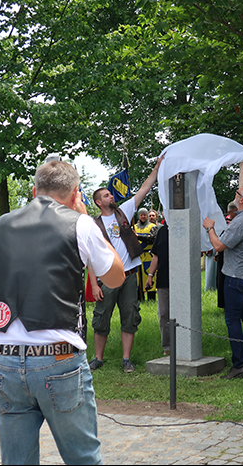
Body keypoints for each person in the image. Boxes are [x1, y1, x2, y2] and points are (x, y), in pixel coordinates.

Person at [0, 160, 124, 465]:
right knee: (83, 458)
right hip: (57, 355)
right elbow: (115, 277)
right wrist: (89, 221)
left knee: (16, 461)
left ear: (34, 191)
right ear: (76, 194)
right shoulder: (79, 223)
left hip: (2, 355)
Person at [89, 155, 163, 373]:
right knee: (101, 318)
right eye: (106, 195)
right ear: (98, 202)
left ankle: (126, 359)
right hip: (107, 278)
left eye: (110, 193)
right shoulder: (93, 225)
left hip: (130, 274)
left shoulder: (125, 211)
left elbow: (144, 189)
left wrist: (157, 168)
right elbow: (90, 258)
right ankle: (98, 358)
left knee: (130, 316)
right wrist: (94, 285)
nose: (110, 195)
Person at [203, 160, 243, 380]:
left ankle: (239, 365)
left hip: (235, 278)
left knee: (233, 320)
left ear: (242, 200)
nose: (236, 193)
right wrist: (242, 166)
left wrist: (209, 228)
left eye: (238, 193)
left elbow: (219, 247)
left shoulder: (240, 222)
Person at [145, 223, 170, 355]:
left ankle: (184, 345)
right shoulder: (162, 231)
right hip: (163, 279)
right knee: (164, 313)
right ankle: (167, 347)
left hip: (182, 279)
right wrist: (150, 275)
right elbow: (156, 255)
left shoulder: (185, 226)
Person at [134, 207, 157, 301]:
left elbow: (152, 239)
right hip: (138, 256)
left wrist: (138, 237)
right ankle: (140, 298)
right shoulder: (134, 227)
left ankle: (151, 299)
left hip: (149, 255)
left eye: (144, 215)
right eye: (141, 215)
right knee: (138, 278)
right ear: (139, 216)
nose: (143, 216)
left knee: (149, 275)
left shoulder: (152, 227)